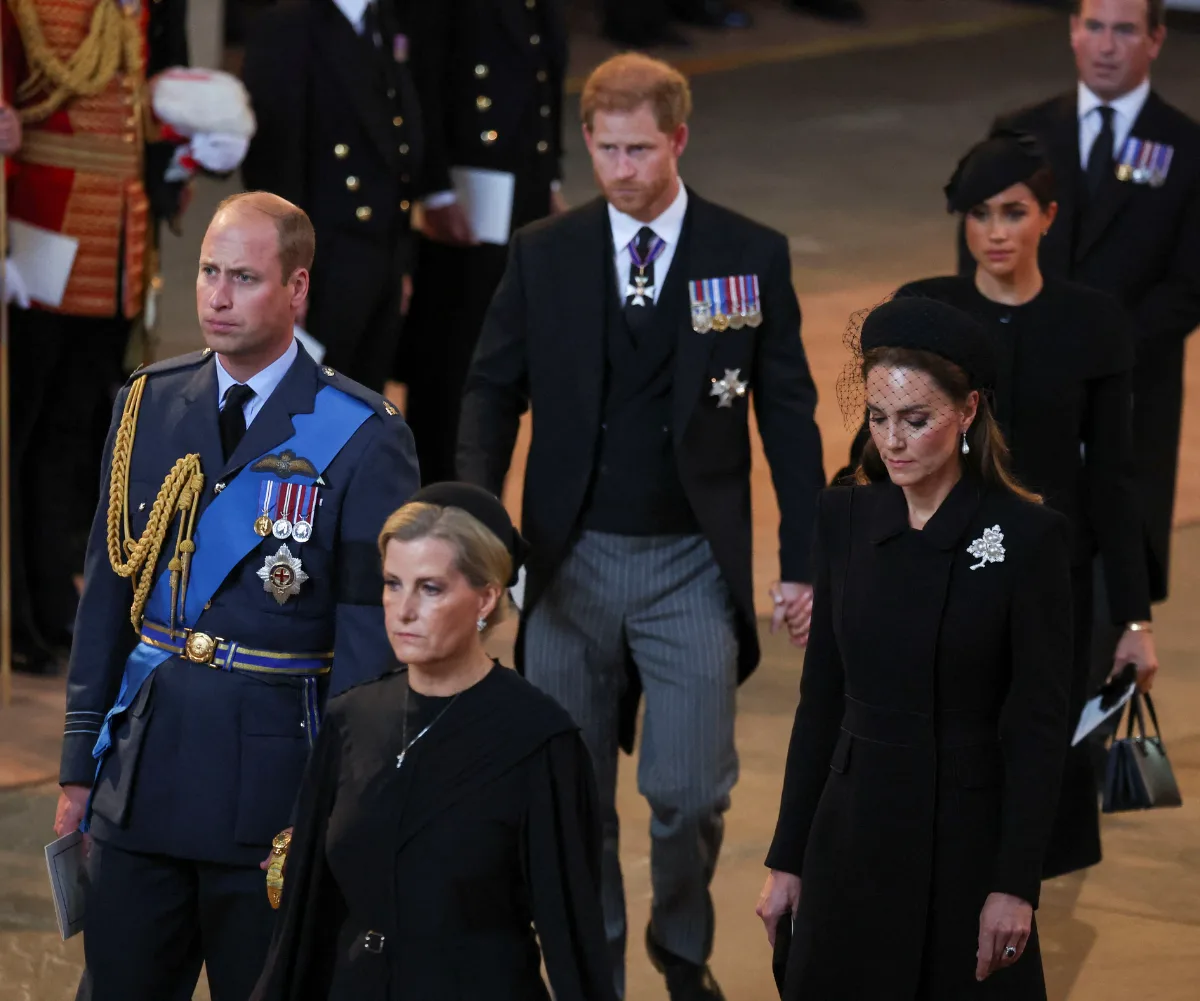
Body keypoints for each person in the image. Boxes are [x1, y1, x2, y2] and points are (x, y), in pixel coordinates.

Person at [457, 53, 826, 1001]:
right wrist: (473, 528)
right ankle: (595, 970)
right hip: (568, 563)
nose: (621, 168)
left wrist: (802, 561)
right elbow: (492, 389)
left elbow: (787, 414)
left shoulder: (749, 252)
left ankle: (681, 940)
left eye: (639, 148)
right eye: (605, 149)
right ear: (587, 142)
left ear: (679, 139)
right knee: (572, 794)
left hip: (692, 565)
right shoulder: (545, 252)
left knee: (690, 790)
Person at [52, 192, 419, 1001]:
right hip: (142, 779)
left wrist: (341, 805)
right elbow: (109, 600)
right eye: (210, 272)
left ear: (296, 290)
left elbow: (368, 647)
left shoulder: (362, 433)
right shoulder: (147, 402)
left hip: (273, 795)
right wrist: (81, 767)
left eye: (244, 278)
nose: (216, 296)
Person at [757, 297, 1073, 1000]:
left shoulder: (1028, 538)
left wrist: (1016, 883)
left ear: (968, 412)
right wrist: (787, 859)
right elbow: (820, 701)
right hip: (851, 837)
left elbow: (1038, 728)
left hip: (965, 843)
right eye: (877, 418)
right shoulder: (842, 515)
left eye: (915, 419)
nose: (891, 441)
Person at [899, 131, 1156, 879]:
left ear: (1048, 215)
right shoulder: (929, 313)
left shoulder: (1093, 322)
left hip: (1051, 577)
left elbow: (1114, 477)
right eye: (978, 215)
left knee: (1041, 749)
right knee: (945, 748)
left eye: (1013, 212)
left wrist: (1135, 620)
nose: (994, 232)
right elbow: (878, 455)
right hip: (941, 566)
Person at [249, 483, 616, 1001]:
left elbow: (572, 939)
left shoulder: (539, 741)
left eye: (431, 588)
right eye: (393, 584)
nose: (402, 611)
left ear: (486, 597)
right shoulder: (351, 720)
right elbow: (305, 920)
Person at [966, 0, 1200, 688]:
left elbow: (1187, 288)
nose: (1105, 45)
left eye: (1125, 30)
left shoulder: (1188, 151)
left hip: (1125, 411)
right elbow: (977, 263)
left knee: (1098, 619)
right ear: (1071, 31)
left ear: (1156, 40)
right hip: (1015, 414)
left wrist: (1086, 349)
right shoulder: (1020, 135)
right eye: (1093, 26)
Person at [1, 0, 190, 674]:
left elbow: (149, 106)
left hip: (114, 237)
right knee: (20, 432)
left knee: (80, 432)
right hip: (39, 231)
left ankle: (58, 605)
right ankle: (17, 615)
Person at [398, 0, 568, 484]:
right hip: (467, 189)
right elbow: (424, 78)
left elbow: (544, 78)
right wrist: (434, 188)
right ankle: (440, 494)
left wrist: (548, 176)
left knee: (506, 354)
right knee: (454, 359)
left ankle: (480, 495)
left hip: (523, 182)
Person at [241, 0, 424, 392]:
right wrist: (285, 276)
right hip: (322, 260)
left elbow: (397, 152)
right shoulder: (288, 26)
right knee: (306, 412)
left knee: (364, 406)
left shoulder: (383, 22)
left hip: (381, 255)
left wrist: (402, 261)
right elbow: (274, 166)